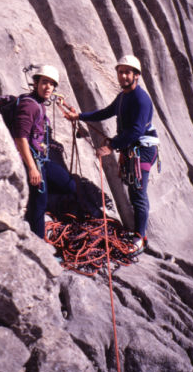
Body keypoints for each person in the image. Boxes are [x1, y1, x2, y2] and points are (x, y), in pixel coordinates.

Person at [65, 55, 159, 255]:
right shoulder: (124, 96)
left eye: (128, 72)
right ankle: (138, 233)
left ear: (136, 75)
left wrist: (112, 145)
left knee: (138, 194)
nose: (124, 76)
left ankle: (140, 238)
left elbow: (135, 131)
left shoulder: (141, 100)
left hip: (142, 149)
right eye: (121, 72)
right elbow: (106, 112)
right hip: (131, 147)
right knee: (134, 193)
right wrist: (79, 116)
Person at [13, 64, 76, 239]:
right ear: (36, 83)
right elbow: (20, 138)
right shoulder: (29, 106)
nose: (48, 87)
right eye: (44, 82)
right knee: (40, 201)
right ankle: (39, 243)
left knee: (69, 185)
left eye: (52, 84)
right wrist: (32, 168)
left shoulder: (40, 103)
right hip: (30, 161)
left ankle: (37, 208)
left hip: (41, 159)